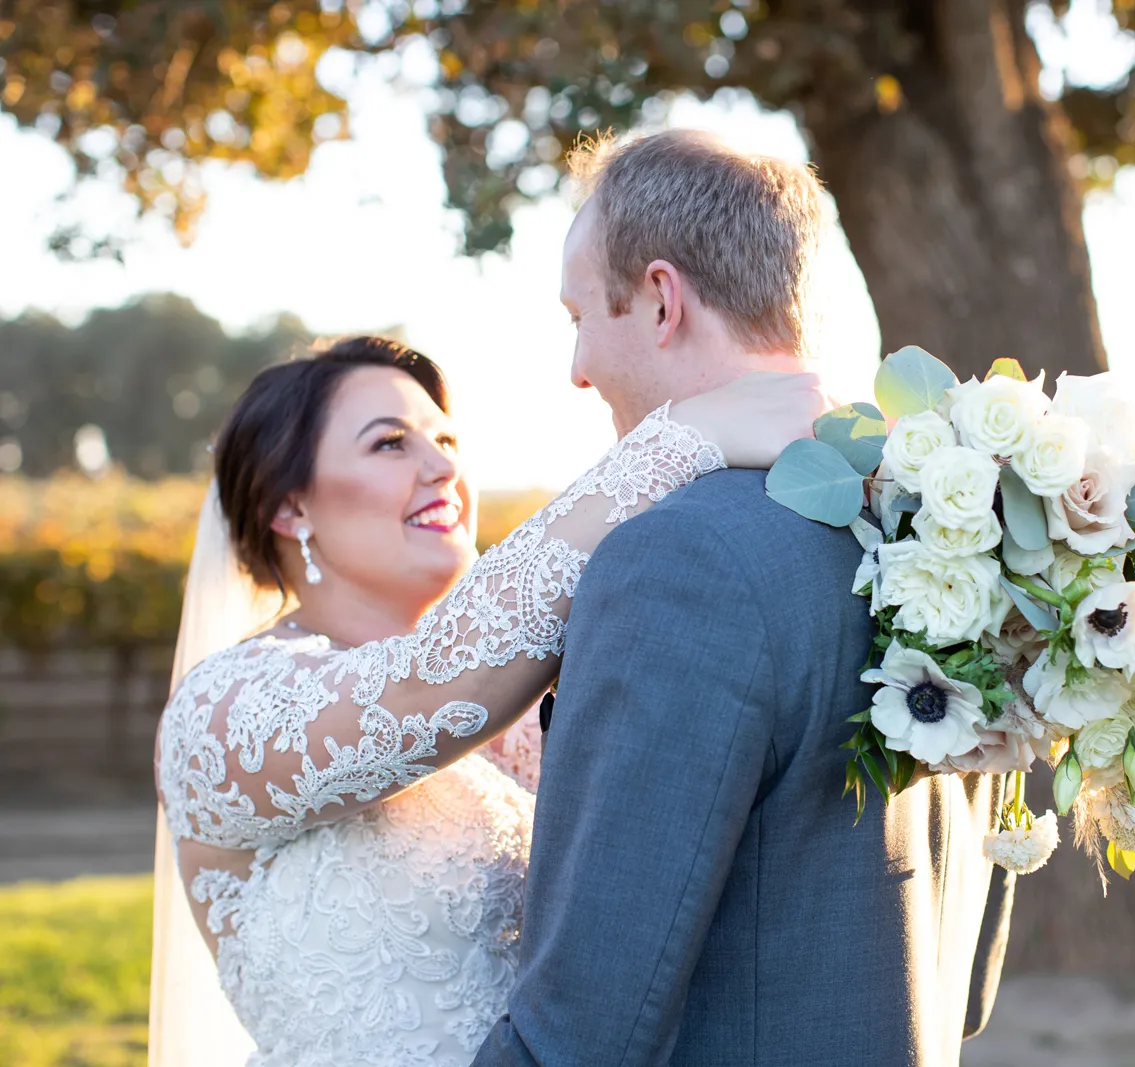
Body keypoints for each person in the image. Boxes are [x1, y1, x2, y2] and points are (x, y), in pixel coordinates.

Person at [471, 130, 1014, 1067]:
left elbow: (581, 1033)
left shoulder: (679, 559)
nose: (575, 369)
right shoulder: (952, 530)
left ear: (660, 300)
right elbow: (966, 979)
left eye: (577, 318)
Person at [151, 334, 824, 1066]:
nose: (444, 468)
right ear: (289, 506)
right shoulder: (222, 712)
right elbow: (431, 687)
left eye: (445, 440)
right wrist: (685, 438)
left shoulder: (531, 693)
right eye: (390, 445)